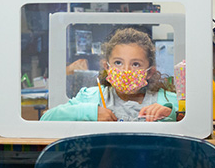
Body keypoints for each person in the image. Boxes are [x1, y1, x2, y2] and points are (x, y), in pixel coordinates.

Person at [41, 27, 178, 122]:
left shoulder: (166, 99)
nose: (126, 71)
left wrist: (169, 113)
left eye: (135, 64)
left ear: (150, 72)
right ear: (107, 67)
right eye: (118, 63)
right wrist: (90, 113)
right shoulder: (91, 97)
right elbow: (46, 119)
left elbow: (193, 121)